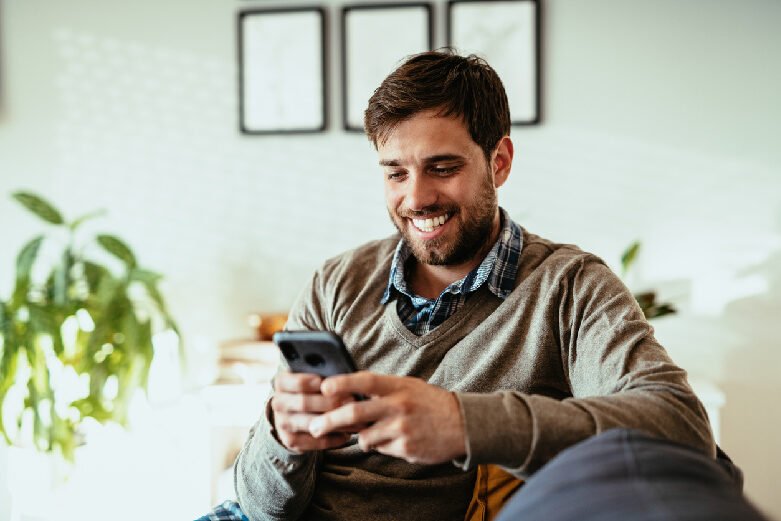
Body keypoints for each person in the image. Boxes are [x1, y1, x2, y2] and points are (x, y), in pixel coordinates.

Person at [232, 50, 715, 521]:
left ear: (499, 161)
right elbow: (261, 508)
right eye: (396, 173)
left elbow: (683, 430)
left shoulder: (570, 288)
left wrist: (463, 423)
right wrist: (281, 434)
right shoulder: (336, 283)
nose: (416, 197)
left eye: (443, 168)